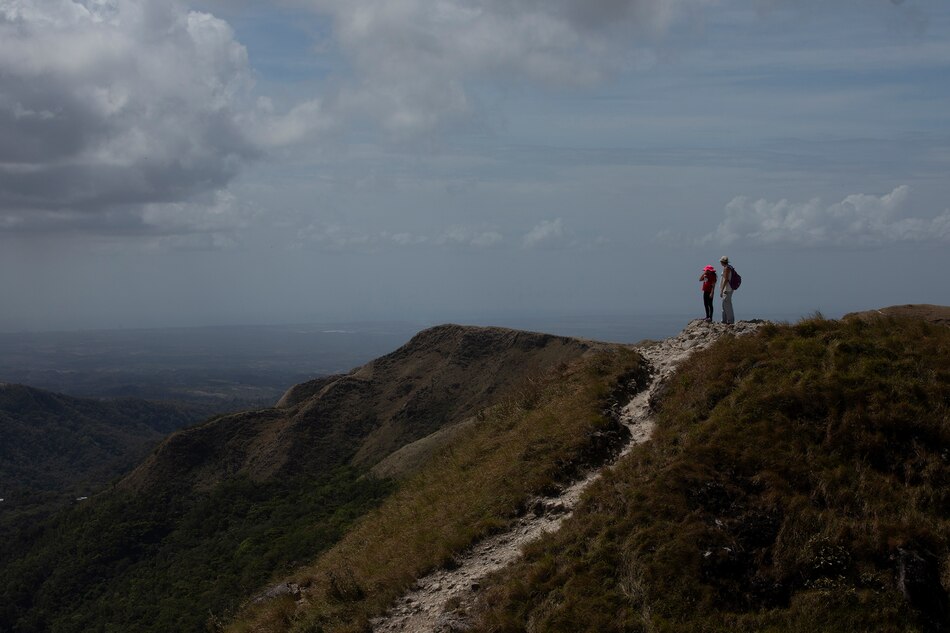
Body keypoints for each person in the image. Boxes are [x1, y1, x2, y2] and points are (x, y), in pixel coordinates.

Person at [719, 256, 735, 324]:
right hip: (728, 288)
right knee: (724, 305)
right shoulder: (729, 267)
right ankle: (724, 320)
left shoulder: (726, 268)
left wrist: (722, 289)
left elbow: (726, 279)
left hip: (727, 289)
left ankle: (730, 321)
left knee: (727, 305)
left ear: (722, 262)